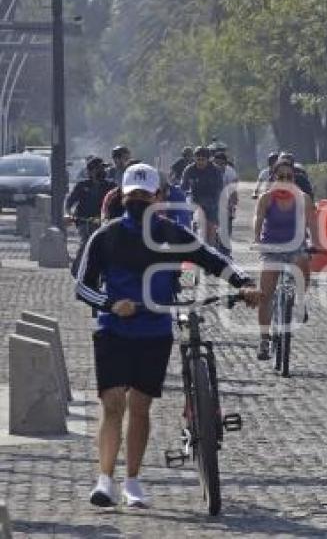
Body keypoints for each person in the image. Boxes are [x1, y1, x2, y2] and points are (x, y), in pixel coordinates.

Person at [75, 163, 260, 509]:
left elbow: (212, 257)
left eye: (146, 196)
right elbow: (82, 286)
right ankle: (104, 480)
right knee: (113, 403)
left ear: (158, 197)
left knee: (141, 408)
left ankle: (132, 481)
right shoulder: (106, 236)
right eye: (134, 196)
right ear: (122, 197)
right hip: (113, 329)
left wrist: (243, 283)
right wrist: (112, 304)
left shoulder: (174, 234)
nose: (139, 201)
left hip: (155, 330)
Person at [254, 159, 320, 360]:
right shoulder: (266, 198)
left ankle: (299, 300)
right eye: (280, 177)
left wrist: (316, 243)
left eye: (289, 177)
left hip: (295, 245)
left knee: (302, 262)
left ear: (295, 179)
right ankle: (264, 339)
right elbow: (257, 220)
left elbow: (312, 223)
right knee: (265, 294)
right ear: (273, 178)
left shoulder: (304, 198)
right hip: (271, 246)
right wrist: (256, 240)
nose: (284, 180)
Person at [65, 157, 116, 275]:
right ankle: (76, 270)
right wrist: (69, 214)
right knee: (86, 242)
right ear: (90, 172)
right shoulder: (81, 186)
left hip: (104, 222)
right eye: (98, 169)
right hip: (84, 222)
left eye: (103, 169)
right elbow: (69, 203)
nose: (102, 171)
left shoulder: (111, 186)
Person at [180, 146, 224, 245]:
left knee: (210, 228)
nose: (200, 162)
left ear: (208, 159)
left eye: (203, 160)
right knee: (197, 223)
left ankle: (212, 249)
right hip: (195, 200)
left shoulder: (215, 171)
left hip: (212, 201)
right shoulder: (189, 170)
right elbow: (183, 187)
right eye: (198, 159)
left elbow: (220, 188)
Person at [213, 152, 239, 256]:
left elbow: (233, 192)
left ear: (225, 164)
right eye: (216, 163)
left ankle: (226, 251)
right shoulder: (209, 170)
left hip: (226, 199)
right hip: (212, 200)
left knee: (226, 227)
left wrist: (232, 205)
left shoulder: (230, 172)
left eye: (221, 163)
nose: (219, 166)